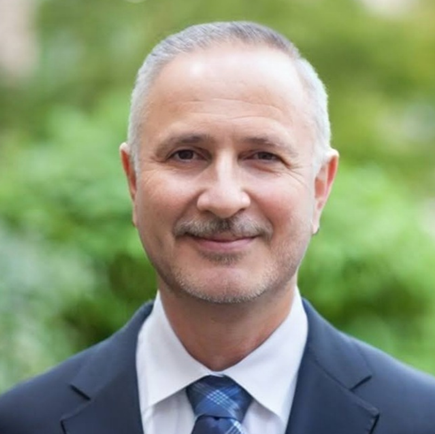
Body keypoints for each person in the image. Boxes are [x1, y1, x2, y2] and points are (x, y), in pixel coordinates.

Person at [0, 21, 434, 434]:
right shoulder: (21, 422)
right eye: (186, 154)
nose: (224, 198)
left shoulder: (421, 420)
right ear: (133, 180)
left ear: (319, 188)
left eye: (263, 156)